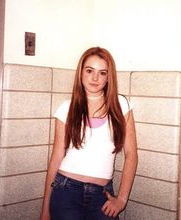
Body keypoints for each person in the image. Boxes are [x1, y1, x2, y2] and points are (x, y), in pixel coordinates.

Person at [41, 47, 138, 220]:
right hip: (65, 191)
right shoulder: (66, 108)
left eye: (102, 73)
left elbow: (131, 155)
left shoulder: (121, 105)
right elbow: (56, 157)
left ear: (109, 77)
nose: (95, 78)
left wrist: (122, 199)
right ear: (81, 73)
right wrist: (45, 211)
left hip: (102, 196)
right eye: (89, 70)